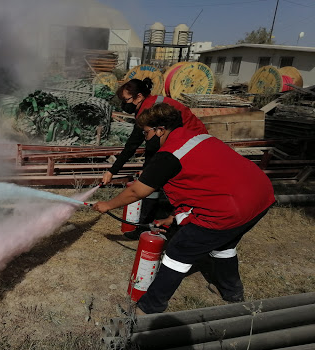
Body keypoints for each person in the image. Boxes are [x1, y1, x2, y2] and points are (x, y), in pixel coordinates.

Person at [93, 103, 275, 314]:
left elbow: (136, 192)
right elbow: (200, 184)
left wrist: (107, 205)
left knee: (178, 250)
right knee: (224, 244)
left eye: (146, 133)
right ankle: (232, 293)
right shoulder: (199, 137)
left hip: (230, 208)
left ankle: (149, 308)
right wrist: (173, 218)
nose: (145, 138)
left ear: (160, 130)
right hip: (260, 196)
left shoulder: (169, 155)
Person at [103, 78, 208, 240]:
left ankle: (170, 228)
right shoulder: (150, 103)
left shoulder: (148, 110)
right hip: (186, 140)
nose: (124, 105)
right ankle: (149, 224)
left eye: (126, 100)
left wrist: (112, 171)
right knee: (153, 181)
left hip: (192, 142)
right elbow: (149, 144)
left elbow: (134, 144)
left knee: (167, 183)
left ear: (138, 97)